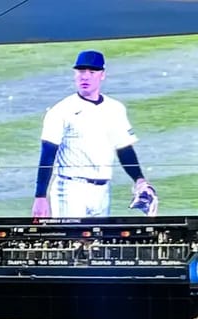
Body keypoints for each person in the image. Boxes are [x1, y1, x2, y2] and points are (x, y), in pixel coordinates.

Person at [33, 50, 151, 221]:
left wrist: (139, 179)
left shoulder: (115, 109)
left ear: (102, 75)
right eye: (81, 71)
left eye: (92, 72)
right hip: (70, 189)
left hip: (102, 190)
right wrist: (40, 197)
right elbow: (47, 154)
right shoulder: (61, 110)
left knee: (97, 244)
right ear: (75, 74)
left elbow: (124, 149)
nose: (85, 77)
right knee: (71, 243)